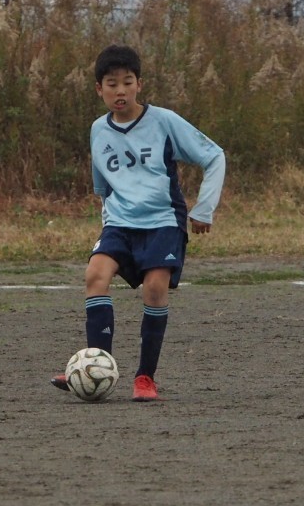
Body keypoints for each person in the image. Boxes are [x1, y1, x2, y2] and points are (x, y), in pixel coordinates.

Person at [51, 44, 226, 401]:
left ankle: (145, 377)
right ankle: (94, 366)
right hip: (119, 223)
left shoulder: (163, 121)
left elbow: (214, 156)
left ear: (139, 85)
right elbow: (103, 187)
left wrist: (203, 209)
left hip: (162, 221)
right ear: (99, 89)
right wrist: (108, 220)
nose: (120, 90)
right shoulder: (98, 130)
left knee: (155, 288)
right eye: (111, 84)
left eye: (127, 82)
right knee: (95, 276)